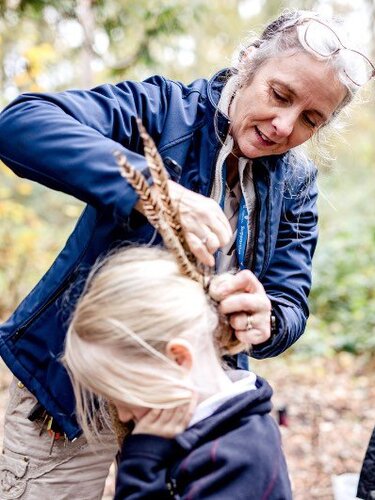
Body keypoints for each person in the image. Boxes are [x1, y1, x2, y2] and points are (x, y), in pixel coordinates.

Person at [0, 6, 373, 498]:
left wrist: (267, 319)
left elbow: (288, 301)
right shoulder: (162, 111)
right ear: (247, 64)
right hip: (73, 391)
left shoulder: (297, 183)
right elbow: (21, 124)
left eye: (310, 119)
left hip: (191, 402)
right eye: (279, 95)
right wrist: (150, 188)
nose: (284, 126)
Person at [63, 243, 292, 500]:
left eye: (124, 395)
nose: (124, 414)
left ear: (179, 359)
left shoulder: (237, 460)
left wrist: (141, 460)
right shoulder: (209, 431)